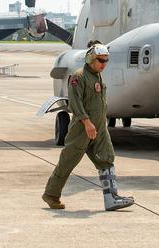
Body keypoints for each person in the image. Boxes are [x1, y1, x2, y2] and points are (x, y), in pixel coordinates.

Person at [42, 43, 135, 211]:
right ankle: (51, 195)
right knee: (67, 162)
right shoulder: (79, 77)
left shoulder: (97, 76)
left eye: (106, 61)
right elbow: (75, 103)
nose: (104, 64)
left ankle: (111, 198)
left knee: (107, 158)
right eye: (101, 60)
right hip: (81, 129)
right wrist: (86, 122)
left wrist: (100, 124)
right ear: (91, 59)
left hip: (98, 127)